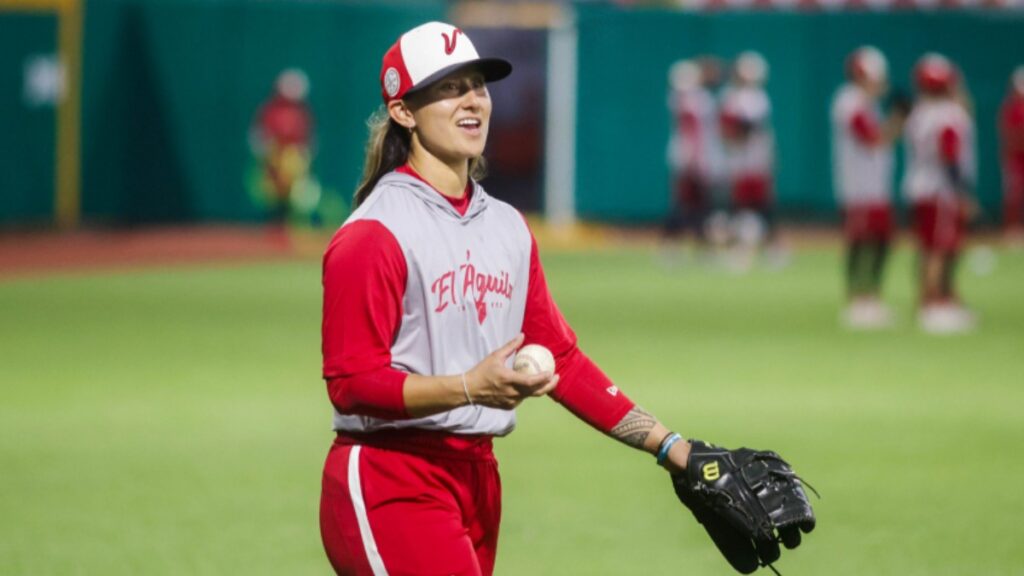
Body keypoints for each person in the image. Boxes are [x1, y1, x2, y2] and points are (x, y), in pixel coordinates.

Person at [318, 22, 812, 576]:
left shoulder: (506, 227)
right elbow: (351, 382)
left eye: (478, 84)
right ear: (405, 112)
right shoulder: (376, 232)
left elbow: (563, 359)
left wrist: (672, 447)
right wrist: (467, 387)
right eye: (449, 88)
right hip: (391, 476)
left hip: (478, 479)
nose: (473, 100)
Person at [902, 53, 978, 333]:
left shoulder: (918, 113)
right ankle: (933, 305)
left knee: (929, 248)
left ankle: (937, 300)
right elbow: (950, 156)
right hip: (941, 190)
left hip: (918, 188)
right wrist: (962, 193)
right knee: (941, 249)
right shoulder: (949, 114)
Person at [830, 46, 905, 328]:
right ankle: (855, 298)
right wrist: (898, 120)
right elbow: (871, 138)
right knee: (860, 242)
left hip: (876, 186)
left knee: (882, 241)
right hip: (858, 187)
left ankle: (871, 296)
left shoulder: (867, 103)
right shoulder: (849, 101)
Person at [719, 51, 780, 267]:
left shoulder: (758, 97)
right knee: (740, 206)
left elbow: (753, 128)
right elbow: (728, 129)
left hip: (756, 159)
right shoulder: (731, 96)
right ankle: (737, 248)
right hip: (738, 160)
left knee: (762, 205)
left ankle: (772, 246)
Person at [250, 69, 315, 244]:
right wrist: (267, 157)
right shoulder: (270, 110)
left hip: (294, 160)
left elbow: (307, 140)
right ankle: (272, 234)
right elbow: (260, 136)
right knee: (273, 198)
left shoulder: (302, 112)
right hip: (275, 158)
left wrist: (303, 158)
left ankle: (293, 234)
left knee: (295, 199)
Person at [662, 59, 717, 256]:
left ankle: (694, 245)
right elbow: (691, 131)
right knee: (688, 203)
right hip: (691, 158)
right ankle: (676, 245)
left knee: (696, 203)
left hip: (693, 157)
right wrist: (694, 159)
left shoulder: (693, 98)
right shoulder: (689, 100)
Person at [998, 66, 1024, 246]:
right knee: (1014, 195)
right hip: (1015, 160)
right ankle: (1013, 230)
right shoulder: (1011, 108)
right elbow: (1010, 136)